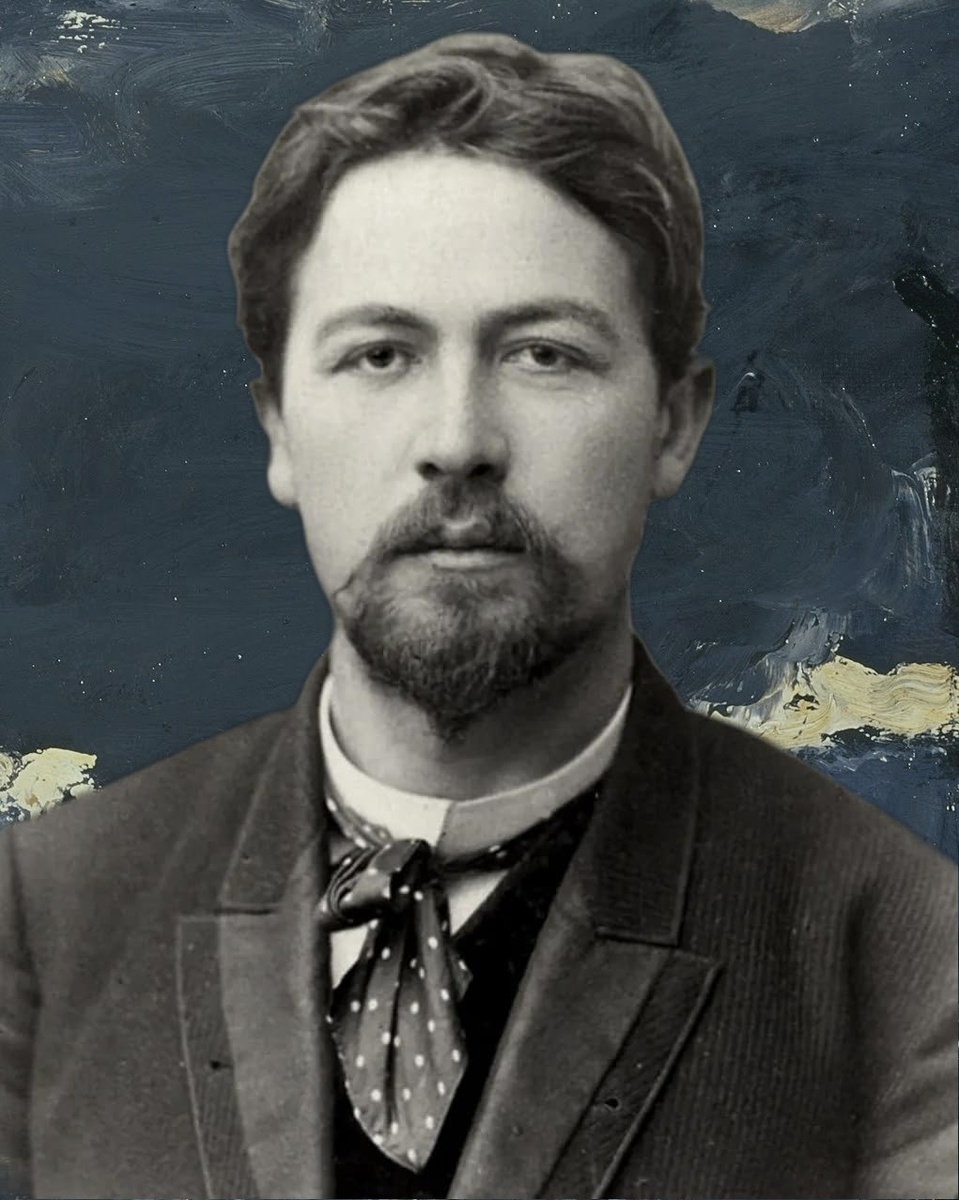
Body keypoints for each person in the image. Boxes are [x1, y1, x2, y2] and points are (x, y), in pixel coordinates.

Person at [0, 32, 955, 1200]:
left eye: (543, 353)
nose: (457, 441)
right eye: (379, 354)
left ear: (673, 424)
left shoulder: (902, 951)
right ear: (278, 430)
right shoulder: (42, 917)